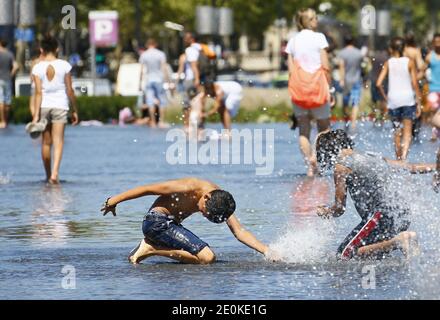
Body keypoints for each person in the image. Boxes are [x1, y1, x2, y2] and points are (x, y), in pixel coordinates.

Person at [315, 129, 437, 260]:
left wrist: (326, 212)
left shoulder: (341, 166)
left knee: (344, 255)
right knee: (370, 254)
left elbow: (339, 208)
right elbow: (410, 168)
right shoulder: (371, 155)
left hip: (381, 215)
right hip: (402, 212)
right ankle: (400, 242)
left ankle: (399, 242)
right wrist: (437, 166)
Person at [101, 178, 272, 264]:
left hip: (170, 226)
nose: (205, 216)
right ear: (205, 197)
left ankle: (152, 246)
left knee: (206, 256)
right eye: (206, 213)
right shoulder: (189, 186)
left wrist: (266, 250)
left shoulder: (220, 201)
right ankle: (150, 249)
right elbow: (148, 189)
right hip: (156, 222)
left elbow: (239, 231)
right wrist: (113, 200)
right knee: (207, 257)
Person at [285, 8, 331, 177]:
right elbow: (325, 66)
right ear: (309, 21)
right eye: (314, 18)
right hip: (318, 87)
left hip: (299, 90)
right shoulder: (319, 38)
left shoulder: (293, 41)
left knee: (303, 130)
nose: (317, 20)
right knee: (324, 129)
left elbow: (291, 70)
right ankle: (315, 157)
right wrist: (330, 88)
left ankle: (310, 166)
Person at [31, 36, 79, 184]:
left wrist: (36, 115)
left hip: (44, 106)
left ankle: (47, 174)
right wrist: (75, 110)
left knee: (46, 142)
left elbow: (38, 93)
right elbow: (70, 90)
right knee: (58, 141)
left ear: (41, 50)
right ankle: (55, 174)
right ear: (57, 49)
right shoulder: (64, 65)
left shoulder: (37, 67)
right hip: (61, 105)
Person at [376, 37, 422, 161]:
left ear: (391, 49)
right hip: (407, 99)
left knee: (396, 130)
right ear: (404, 48)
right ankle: (404, 158)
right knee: (407, 131)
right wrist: (418, 102)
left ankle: (397, 158)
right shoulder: (409, 62)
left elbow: (378, 83)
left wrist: (386, 98)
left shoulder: (388, 63)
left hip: (393, 100)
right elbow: (414, 83)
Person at [138, 38, 170, 128]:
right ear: (155, 44)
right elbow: (164, 68)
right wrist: (168, 80)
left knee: (150, 101)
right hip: (159, 79)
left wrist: (140, 83)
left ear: (147, 45)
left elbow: (141, 70)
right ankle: (161, 121)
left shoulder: (144, 55)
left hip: (149, 80)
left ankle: (153, 122)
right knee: (162, 101)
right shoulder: (160, 54)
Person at [338, 35, 364, 132]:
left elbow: (341, 66)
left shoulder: (342, 53)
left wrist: (341, 79)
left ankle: (346, 122)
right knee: (355, 102)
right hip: (357, 79)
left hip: (346, 80)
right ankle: (353, 123)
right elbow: (362, 66)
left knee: (345, 102)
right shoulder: (358, 53)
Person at [423, 34, 440, 140]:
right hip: (433, 88)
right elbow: (423, 69)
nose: (438, 44)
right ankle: (434, 133)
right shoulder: (430, 56)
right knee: (433, 112)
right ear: (433, 43)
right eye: (436, 41)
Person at [0, 39, 18, 128]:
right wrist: (11, 74)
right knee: (7, 100)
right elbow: (16, 66)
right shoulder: (10, 54)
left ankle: (2, 121)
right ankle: (6, 121)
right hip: (7, 79)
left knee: (1, 100)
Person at [369, 47, 389, 124]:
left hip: (374, 79)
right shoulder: (386, 58)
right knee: (383, 100)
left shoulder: (374, 57)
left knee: (374, 100)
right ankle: (382, 119)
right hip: (383, 80)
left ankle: (374, 117)